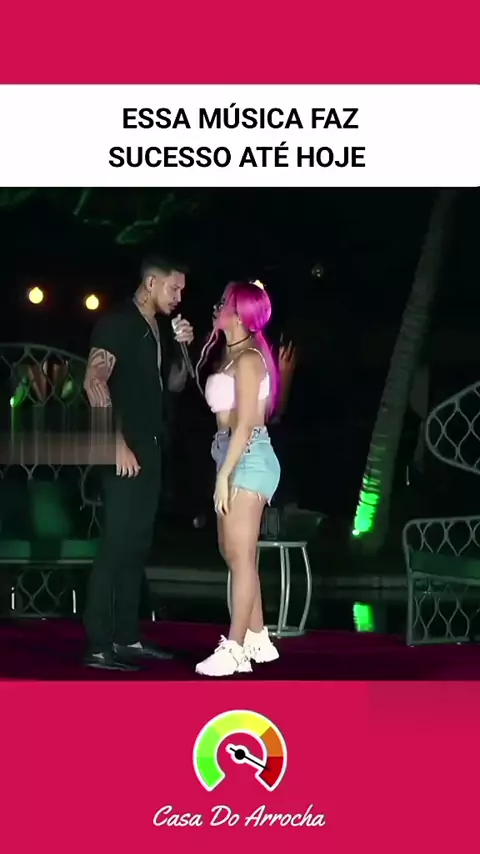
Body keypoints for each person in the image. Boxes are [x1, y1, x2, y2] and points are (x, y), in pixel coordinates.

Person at [82, 255, 194, 671]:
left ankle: (127, 638)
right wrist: (115, 444)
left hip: (151, 446)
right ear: (151, 283)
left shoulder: (157, 327)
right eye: (173, 288)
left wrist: (182, 347)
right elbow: (93, 382)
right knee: (116, 544)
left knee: (137, 545)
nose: (179, 297)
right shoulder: (117, 322)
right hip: (122, 447)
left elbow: (175, 385)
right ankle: (98, 645)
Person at [194, 280, 281, 677]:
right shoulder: (229, 355)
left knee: (240, 557)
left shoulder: (249, 359)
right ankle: (258, 638)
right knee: (233, 553)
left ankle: (234, 649)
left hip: (248, 455)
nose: (217, 308)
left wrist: (224, 476)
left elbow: (246, 423)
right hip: (228, 452)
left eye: (224, 303)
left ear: (241, 315)